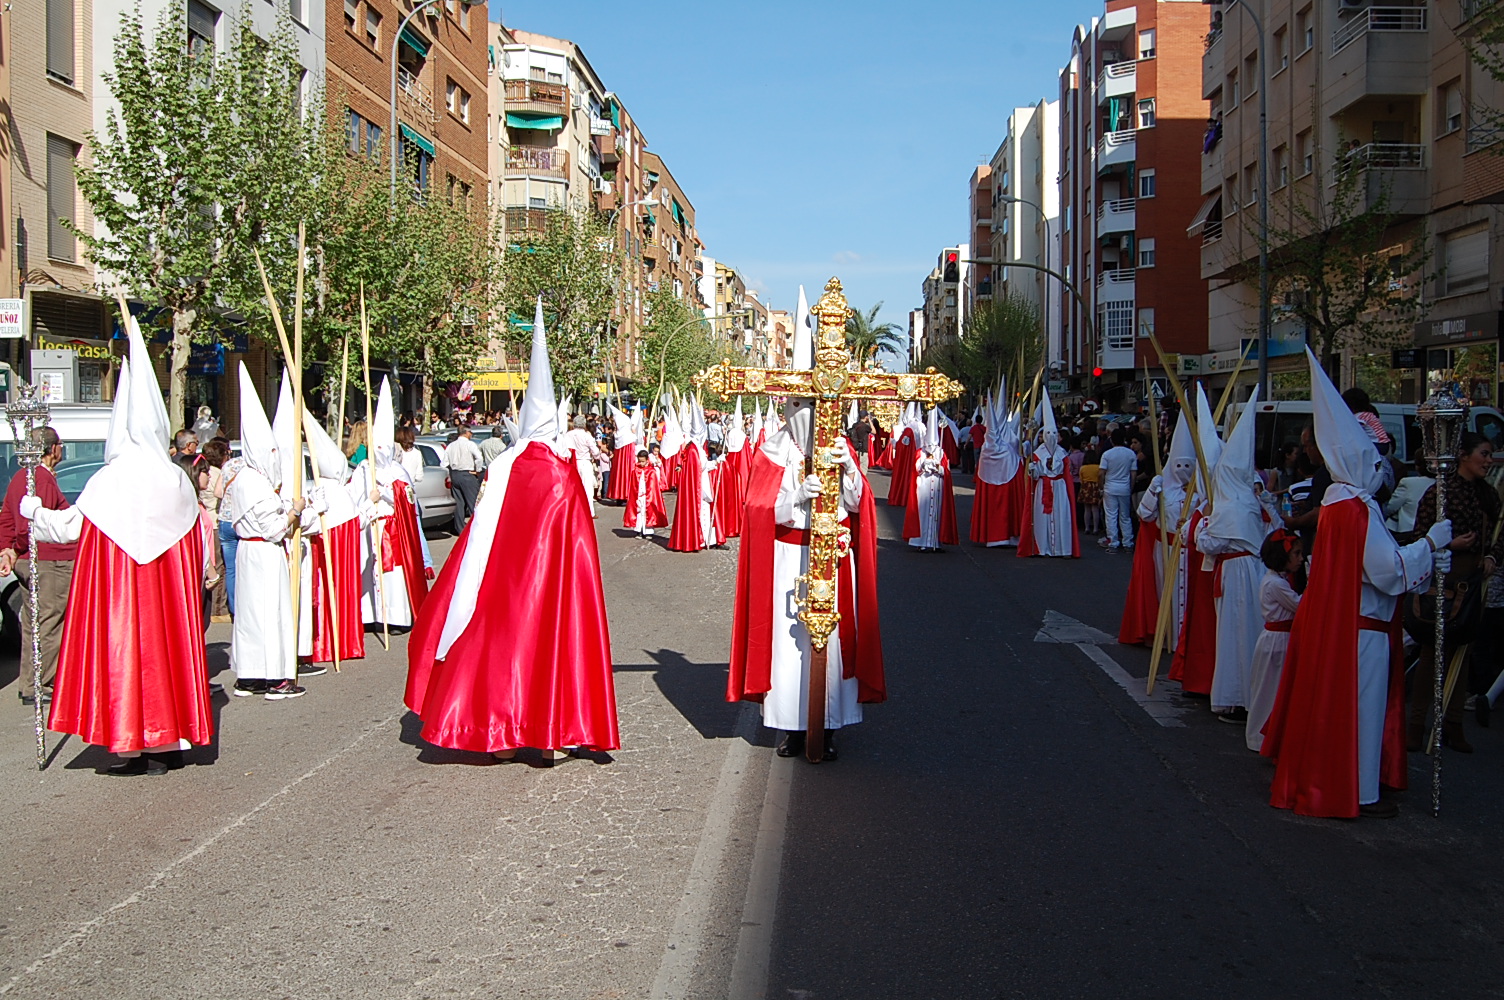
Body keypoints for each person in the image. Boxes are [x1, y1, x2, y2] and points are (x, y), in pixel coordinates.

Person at [407, 300, 618, 764]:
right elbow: (578, 541)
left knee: (504, 649)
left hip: (501, 577)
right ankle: (545, 733)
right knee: (549, 646)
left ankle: (500, 732)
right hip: (550, 582)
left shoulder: (503, 463)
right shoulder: (563, 469)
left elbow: (480, 524)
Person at [23, 312, 212, 775]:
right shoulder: (175, 479)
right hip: (166, 594)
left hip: (122, 594)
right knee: (164, 652)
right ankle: (167, 742)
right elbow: (197, 538)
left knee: (126, 655)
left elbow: (68, 529)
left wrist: (32, 512)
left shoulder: (109, 480)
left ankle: (130, 743)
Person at [1263, 350, 1446, 820]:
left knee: (1353, 713)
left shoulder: (1342, 502)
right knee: (1360, 715)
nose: (1381, 465)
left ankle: (1354, 784)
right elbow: (1386, 571)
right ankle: (1359, 790)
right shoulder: (1355, 507)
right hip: (1362, 632)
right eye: (1374, 457)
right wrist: (1430, 543)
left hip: (1356, 627)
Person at [727, 283, 885, 761]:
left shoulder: (841, 448)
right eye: (800, 405)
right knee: (789, 645)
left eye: (814, 407)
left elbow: (859, 506)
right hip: (787, 556)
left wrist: (847, 472)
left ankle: (829, 727)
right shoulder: (773, 451)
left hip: (832, 555)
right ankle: (791, 728)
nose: (808, 414)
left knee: (833, 646)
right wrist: (796, 494)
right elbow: (756, 511)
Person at [1404, 431, 1499, 753]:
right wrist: (1448, 544)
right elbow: (1420, 536)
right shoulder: (1439, 493)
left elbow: (1500, 536)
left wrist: (1491, 557)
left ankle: (1453, 723)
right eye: (1483, 454)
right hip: (1444, 578)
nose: (1488, 460)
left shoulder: (1489, 495)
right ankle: (1417, 725)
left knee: (1464, 652)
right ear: (1464, 455)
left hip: (1474, 579)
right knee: (1433, 652)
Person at [230, 365, 317, 701]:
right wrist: (295, 509)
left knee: (251, 616)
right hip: (265, 554)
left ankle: (249, 676)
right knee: (271, 613)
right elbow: (273, 528)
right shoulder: (256, 484)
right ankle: (274, 679)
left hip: (249, 554)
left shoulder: (245, 479)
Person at [1194, 391, 1268, 723]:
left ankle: (1237, 696)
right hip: (1254, 570)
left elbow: (1211, 544)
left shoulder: (1229, 506)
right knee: (1249, 630)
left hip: (1237, 574)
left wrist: (1203, 523)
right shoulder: (1252, 502)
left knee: (1236, 635)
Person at [0, 427, 75, 706]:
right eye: (59, 445)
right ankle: (40, 681)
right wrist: (14, 546)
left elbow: (7, 518)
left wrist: (7, 549)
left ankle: (32, 681)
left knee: (35, 623)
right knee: (50, 622)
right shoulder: (39, 479)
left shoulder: (22, 477)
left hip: (32, 558)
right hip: (48, 559)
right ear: (52, 448)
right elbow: (30, 524)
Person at [1246, 530, 1302, 753]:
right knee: (1270, 689)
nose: (1300, 559)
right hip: (1279, 641)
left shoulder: (1276, 580)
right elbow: (1300, 606)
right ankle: (1262, 735)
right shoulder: (1276, 585)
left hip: (1277, 639)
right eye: (1296, 554)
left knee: (1270, 687)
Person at [1018, 390, 1079, 559]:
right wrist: (1032, 469)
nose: (1051, 436)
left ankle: (1061, 548)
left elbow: (1064, 472)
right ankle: (1042, 547)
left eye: (1054, 433)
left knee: (1061, 517)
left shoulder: (1062, 453)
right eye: (1048, 434)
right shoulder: (1038, 453)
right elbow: (1036, 475)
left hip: (1059, 489)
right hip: (1043, 490)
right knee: (1041, 518)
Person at [971, 388, 1026, 548]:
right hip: (1007, 481)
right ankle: (1003, 534)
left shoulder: (987, 449)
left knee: (997, 507)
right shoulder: (1007, 447)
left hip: (995, 485)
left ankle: (996, 534)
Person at [903, 409, 958, 552]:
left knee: (937, 514)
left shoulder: (941, 453)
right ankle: (920, 541)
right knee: (922, 513)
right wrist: (924, 466)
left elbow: (946, 471)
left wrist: (938, 467)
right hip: (923, 487)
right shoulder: (919, 453)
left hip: (938, 487)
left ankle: (935, 542)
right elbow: (915, 470)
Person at [1097, 428, 1137, 550]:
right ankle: (1127, 541)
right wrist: (1131, 488)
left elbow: (1101, 473)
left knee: (1111, 515)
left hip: (1110, 487)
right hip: (1124, 487)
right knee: (1125, 516)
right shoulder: (1131, 454)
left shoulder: (1107, 454)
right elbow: (1133, 474)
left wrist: (1101, 487)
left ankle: (1113, 541)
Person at [444, 425, 483, 533]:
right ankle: (477, 528)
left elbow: (444, 463)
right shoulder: (470, 444)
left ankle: (460, 528)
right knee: (473, 502)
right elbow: (479, 458)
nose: (471, 434)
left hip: (455, 474)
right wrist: (478, 470)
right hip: (467, 474)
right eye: (470, 432)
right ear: (466, 432)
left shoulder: (451, 446)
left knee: (459, 503)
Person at [562, 415, 602, 518]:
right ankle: (589, 511)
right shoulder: (586, 435)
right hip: (584, 461)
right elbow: (595, 451)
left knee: (572, 488)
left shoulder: (568, 435)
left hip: (572, 462)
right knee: (587, 488)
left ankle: (572, 511)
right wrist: (596, 455)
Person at [624, 449, 668, 538]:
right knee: (639, 512)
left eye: (643, 461)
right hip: (638, 495)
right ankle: (639, 530)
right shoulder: (635, 470)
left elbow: (654, 486)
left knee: (649, 512)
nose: (641, 463)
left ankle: (648, 531)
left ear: (647, 460)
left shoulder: (652, 471)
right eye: (640, 461)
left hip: (648, 496)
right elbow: (633, 485)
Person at [847, 411, 872, 476]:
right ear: (866, 417)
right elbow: (874, 431)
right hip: (863, 448)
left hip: (855, 448)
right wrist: (870, 421)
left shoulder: (854, 425)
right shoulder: (865, 426)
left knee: (856, 465)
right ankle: (862, 482)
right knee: (863, 466)